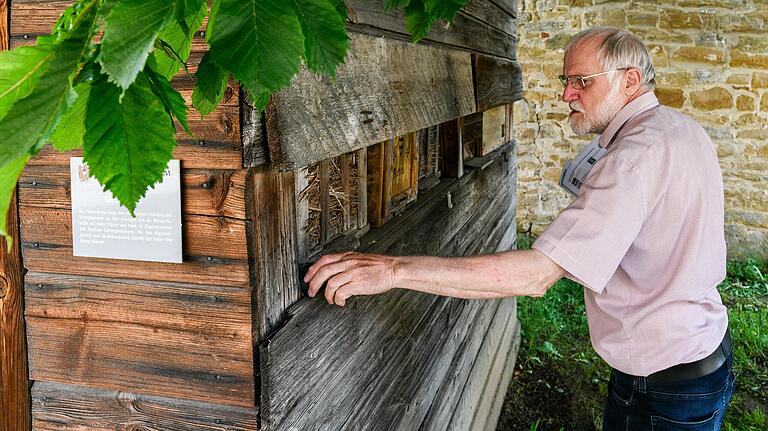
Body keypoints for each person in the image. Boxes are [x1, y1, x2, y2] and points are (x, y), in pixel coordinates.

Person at [304, 27, 734, 430]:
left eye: (582, 82)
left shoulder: (628, 160)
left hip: (664, 385)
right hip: (705, 350)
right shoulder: (682, 129)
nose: (567, 94)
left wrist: (394, 270)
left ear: (630, 80)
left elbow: (536, 275)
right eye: (567, 80)